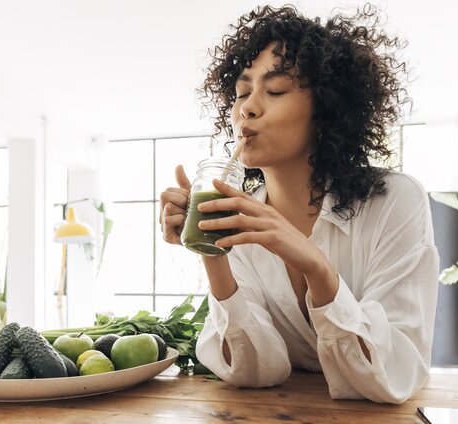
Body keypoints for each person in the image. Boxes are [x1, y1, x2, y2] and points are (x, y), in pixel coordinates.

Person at [159, 4, 439, 403]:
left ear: (326, 107)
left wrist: (315, 266)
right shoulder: (237, 214)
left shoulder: (394, 201)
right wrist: (211, 248)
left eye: (274, 90)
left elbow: (394, 376)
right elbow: (254, 372)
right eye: (242, 92)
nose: (247, 108)